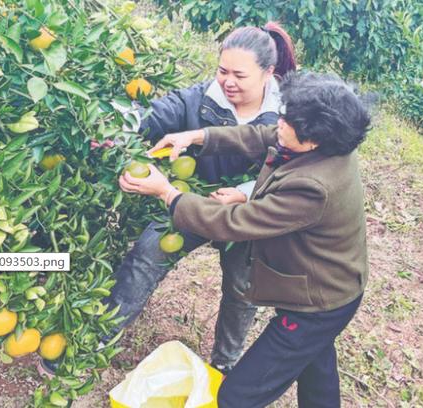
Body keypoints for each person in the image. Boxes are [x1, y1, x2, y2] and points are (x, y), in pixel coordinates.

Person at [119, 71, 371, 407]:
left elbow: (235, 224)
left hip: (317, 304)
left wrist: (167, 194)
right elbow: (258, 136)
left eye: (288, 121)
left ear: (314, 140)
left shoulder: (314, 187)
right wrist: (195, 136)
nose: (278, 123)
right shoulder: (327, 142)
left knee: (237, 396)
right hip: (331, 285)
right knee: (317, 373)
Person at [105, 23, 297, 374]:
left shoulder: (288, 118)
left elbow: (292, 174)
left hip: (249, 216)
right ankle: (100, 339)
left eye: (240, 75)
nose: (228, 82)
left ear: (269, 73)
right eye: (223, 71)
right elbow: (158, 113)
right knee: (147, 255)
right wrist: (114, 130)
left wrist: (243, 193)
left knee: (243, 289)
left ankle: (224, 366)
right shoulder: (199, 100)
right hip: (191, 202)